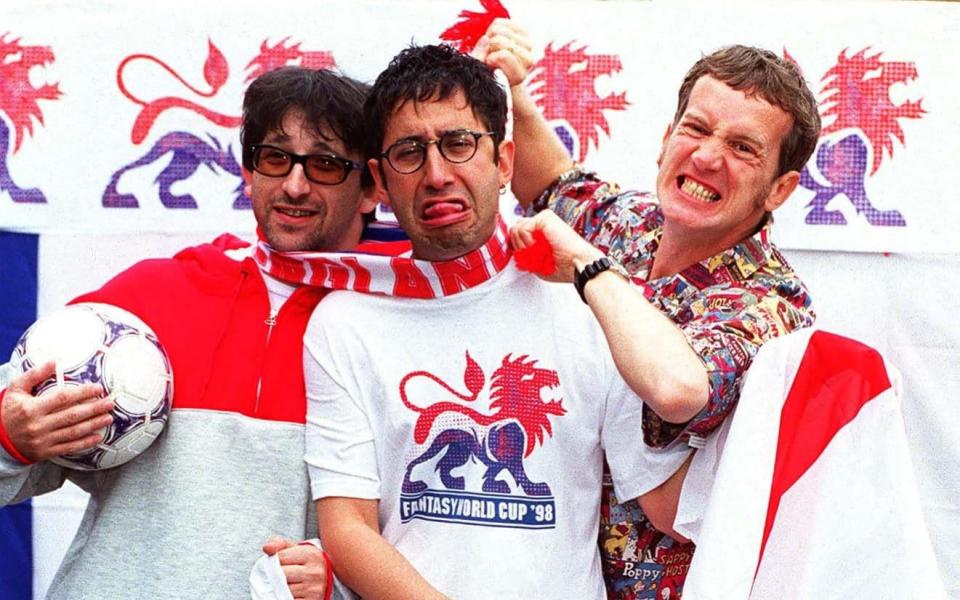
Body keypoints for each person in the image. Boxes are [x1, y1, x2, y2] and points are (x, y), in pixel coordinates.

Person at [291, 44, 691, 600]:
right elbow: (347, 528)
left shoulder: (584, 303)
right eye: (410, 152)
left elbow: (667, 501)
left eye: (458, 144)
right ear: (380, 182)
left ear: (503, 161)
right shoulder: (344, 321)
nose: (436, 174)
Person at [0, 66, 391, 599]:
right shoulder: (145, 301)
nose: (294, 185)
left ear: (371, 188)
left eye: (324, 164)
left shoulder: (392, 330)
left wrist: (343, 584)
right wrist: (12, 441)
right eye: (275, 158)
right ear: (249, 173)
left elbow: (433, 538)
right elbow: (13, 472)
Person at [477, 20, 820, 598]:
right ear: (666, 138)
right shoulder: (629, 222)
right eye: (697, 129)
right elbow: (551, 184)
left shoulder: (774, 304)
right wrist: (514, 92)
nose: (708, 157)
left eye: (742, 148)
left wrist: (590, 272)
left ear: (779, 189)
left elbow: (676, 388)